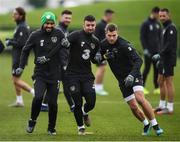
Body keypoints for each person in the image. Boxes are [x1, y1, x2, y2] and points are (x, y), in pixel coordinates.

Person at [37, 15, 99, 135]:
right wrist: (47, 57)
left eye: (92, 25)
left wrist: (99, 58)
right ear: (83, 25)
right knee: (77, 102)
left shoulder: (95, 42)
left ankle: (84, 112)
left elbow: (93, 60)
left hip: (87, 75)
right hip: (72, 75)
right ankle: (80, 128)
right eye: (88, 25)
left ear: (95, 26)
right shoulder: (76, 35)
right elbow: (60, 45)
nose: (90, 27)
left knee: (91, 102)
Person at [99, 23, 163, 136]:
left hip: (134, 75)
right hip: (121, 80)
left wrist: (132, 75)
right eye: (109, 35)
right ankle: (146, 124)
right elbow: (96, 60)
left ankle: (156, 125)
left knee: (140, 98)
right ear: (106, 34)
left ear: (117, 33)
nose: (112, 38)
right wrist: (103, 57)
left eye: (114, 35)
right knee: (133, 107)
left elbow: (139, 60)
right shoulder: (103, 45)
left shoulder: (124, 45)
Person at [16, 11, 68, 135]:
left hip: (55, 73)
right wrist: (21, 67)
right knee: (38, 97)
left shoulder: (59, 33)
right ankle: (32, 121)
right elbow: (25, 50)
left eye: (51, 23)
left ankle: (51, 128)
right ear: (43, 23)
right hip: (40, 73)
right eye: (47, 23)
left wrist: (67, 45)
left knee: (53, 103)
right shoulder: (35, 35)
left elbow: (65, 46)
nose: (49, 26)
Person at [41, 10, 74, 112]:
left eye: (69, 18)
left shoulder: (64, 30)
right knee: (64, 84)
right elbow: (55, 48)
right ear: (60, 18)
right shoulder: (58, 30)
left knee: (59, 84)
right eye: (66, 18)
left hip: (62, 62)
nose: (67, 20)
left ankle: (44, 104)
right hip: (59, 63)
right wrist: (63, 63)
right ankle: (72, 106)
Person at [5, 7, 34, 107]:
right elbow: (18, 39)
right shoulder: (20, 26)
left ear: (21, 16)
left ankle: (34, 93)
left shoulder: (22, 27)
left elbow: (22, 43)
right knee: (15, 79)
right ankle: (19, 101)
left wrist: (10, 42)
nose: (13, 15)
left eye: (15, 14)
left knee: (15, 80)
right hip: (17, 56)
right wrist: (11, 40)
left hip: (19, 57)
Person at [152, 8, 177, 115]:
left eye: (164, 16)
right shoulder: (165, 27)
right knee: (160, 81)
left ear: (168, 15)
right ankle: (162, 105)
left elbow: (170, 45)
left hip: (168, 59)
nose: (161, 18)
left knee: (168, 82)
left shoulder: (171, 28)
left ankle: (170, 108)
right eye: (160, 16)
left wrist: (160, 54)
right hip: (163, 59)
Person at [140, 6, 161, 95]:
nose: (159, 16)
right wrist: (145, 49)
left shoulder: (158, 24)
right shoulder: (145, 23)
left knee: (157, 69)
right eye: (158, 14)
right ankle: (142, 87)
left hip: (157, 51)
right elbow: (142, 37)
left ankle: (156, 87)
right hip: (148, 52)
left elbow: (160, 37)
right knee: (146, 69)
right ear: (153, 13)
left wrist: (161, 49)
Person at [94, 9, 114, 96]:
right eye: (112, 15)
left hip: (104, 51)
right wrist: (97, 51)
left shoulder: (106, 25)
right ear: (108, 15)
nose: (112, 17)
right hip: (99, 51)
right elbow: (95, 38)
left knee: (103, 69)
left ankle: (99, 87)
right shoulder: (100, 25)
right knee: (101, 68)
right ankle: (97, 88)